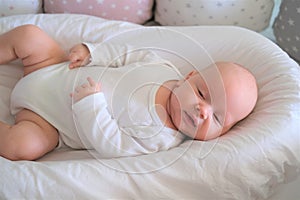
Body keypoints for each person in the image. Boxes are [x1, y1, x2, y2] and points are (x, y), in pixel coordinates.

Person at [0, 25, 258, 161]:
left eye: (217, 119)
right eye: (203, 93)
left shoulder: (161, 137)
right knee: (29, 36)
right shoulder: (161, 66)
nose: (203, 111)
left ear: (224, 133)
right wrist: (93, 52)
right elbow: (126, 54)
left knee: (23, 146)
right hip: (52, 67)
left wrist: (90, 105)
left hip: (47, 121)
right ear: (189, 77)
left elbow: (112, 144)